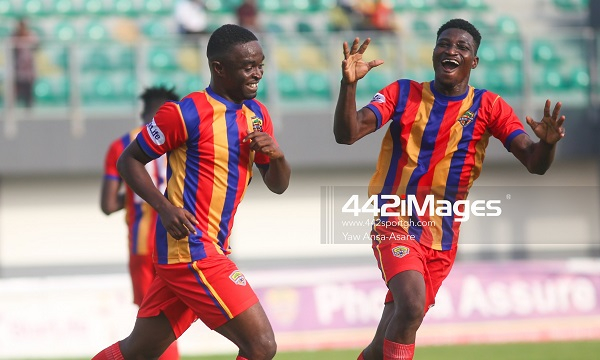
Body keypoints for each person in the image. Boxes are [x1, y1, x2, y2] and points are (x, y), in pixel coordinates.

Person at [333, 18, 566, 360]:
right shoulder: (403, 93)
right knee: (410, 306)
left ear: (474, 61)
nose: (451, 50)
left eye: (462, 47)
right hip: (395, 220)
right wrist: (348, 86)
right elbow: (347, 133)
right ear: (433, 52)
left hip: (442, 235)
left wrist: (546, 145)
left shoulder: (489, 106)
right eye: (444, 43)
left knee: (385, 342)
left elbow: (534, 161)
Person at [92, 24, 291, 360]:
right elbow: (130, 161)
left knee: (138, 351)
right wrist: (165, 208)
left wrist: (279, 156)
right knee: (261, 345)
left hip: (210, 249)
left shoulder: (257, 115)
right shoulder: (186, 113)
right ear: (219, 68)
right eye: (247, 67)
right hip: (191, 249)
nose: (257, 74)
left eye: (260, 65)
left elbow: (278, 185)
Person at [100, 85, 182, 360]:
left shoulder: (120, 146)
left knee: (151, 318)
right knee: (168, 318)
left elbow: (108, 204)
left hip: (141, 246)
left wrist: (138, 194)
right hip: (179, 241)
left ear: (142, 112)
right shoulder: (181, 139)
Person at [11, 18, 38, 108]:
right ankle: (15, 108)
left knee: (28, 88)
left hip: (29, 67)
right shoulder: (14, 36)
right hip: (18, 68)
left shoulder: (31, 35)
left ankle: (28, 106)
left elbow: (37, 46)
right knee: (18, 88)